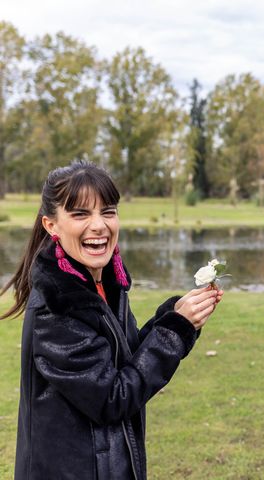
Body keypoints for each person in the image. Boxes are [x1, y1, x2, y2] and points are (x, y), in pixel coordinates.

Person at [1, 161, 223, 480]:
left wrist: (174, 317)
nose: (99, 226)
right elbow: (112, 397)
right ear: (52, 225)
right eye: (80, 214)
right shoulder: (57, 306)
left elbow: (125, 360)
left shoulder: (104, 280)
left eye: (108, 211)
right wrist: (176, 331)